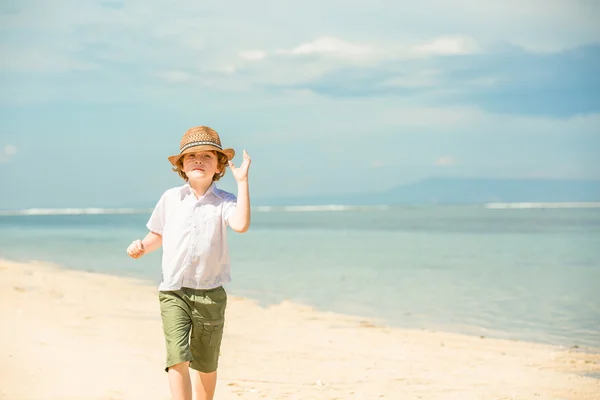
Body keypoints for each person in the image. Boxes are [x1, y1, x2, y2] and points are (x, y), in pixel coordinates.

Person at [126, 125, 251, 400]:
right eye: (191, 156)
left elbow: (241, 224)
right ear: (181, 165)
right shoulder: (170, 199)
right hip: (173, 291)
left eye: (207, 156)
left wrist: (242, 182)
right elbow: (157, 233)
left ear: (219, 165)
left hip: (210, 293)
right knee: (177, 357)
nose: (198, 160)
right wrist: (142, 247)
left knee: (205, 362)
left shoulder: (224, 202)